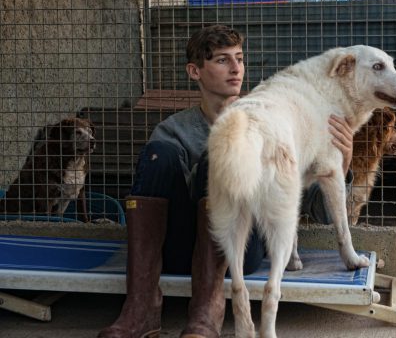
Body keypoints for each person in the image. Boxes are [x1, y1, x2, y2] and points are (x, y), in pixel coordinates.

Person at [98, 25, 355, 338]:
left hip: (242, 249)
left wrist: (341, 164)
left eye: (240, 58)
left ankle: (208, 308)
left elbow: (320, 214)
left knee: (220, 157)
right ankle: (141, 307)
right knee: (160, 154)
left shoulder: (271, 121)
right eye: (222, 60)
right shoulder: (173, 130)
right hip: (180, 248)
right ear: (195, 71)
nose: (236, 69)